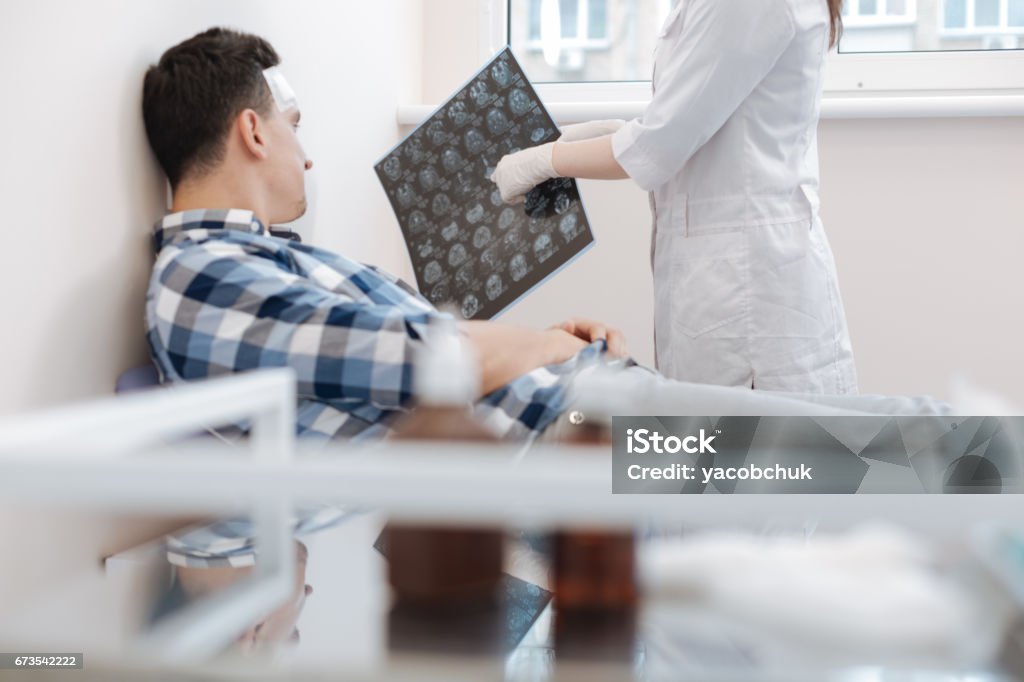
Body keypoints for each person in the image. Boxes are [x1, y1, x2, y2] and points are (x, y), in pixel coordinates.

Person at [142, 27, 946, 449]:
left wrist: (544, 343)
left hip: (582, 417)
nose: (306, 150)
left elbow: (416, 344)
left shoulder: (263, 258)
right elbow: (425, 359)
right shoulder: (203, 274)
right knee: (845, 457)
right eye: (294, 126)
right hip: (568, 444)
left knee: (858, 448)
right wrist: (546, 351)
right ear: (252, 131)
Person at [491, 0, 857, 395]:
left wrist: (544, 161)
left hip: (749, 290)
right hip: (726, 276)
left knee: (751, 449)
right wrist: (621, 136)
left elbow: (659, 147)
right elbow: (700, 119)